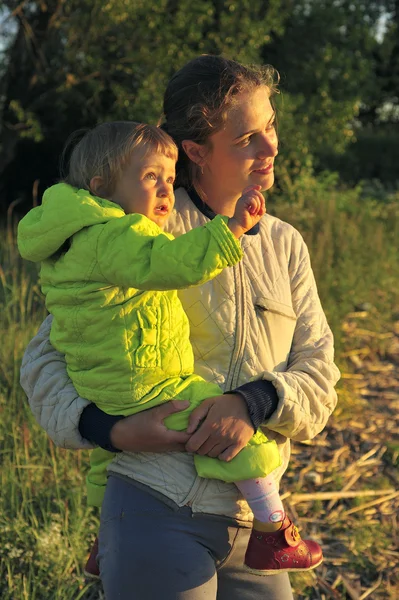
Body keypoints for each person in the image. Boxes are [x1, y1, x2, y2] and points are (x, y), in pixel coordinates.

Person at [20, 55, 340, 600]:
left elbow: (320, 374)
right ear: (196, 151)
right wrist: (107, 430)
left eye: (271, 127)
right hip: (153, 498)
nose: (271, 148)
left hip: (257, 522)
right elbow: (45, 360)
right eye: (247, 138)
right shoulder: (140, 231)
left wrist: (255, 401)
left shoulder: (286, 244)